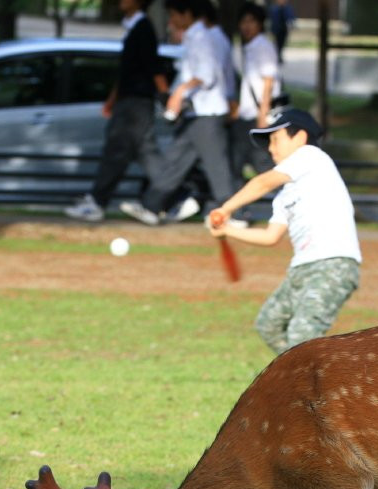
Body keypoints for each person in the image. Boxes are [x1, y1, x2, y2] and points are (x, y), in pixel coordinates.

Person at [208, 109, 362, 354]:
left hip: (333, 266)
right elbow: (270, 236)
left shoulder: (311, 156)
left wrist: (225, 209)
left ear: (299, 137)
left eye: (275, 139)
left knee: (302, 335)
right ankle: (305, 372)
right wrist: (227, 230)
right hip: (301, 269)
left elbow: (261, 183)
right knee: (268, 324)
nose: (270, 149)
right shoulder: (285, 194)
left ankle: (312, 373)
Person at [119, 0, 238, 227]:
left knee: (217, 167)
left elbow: (207, 75)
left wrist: (180, 93)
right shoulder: (194, 38)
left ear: (187, 14)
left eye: (174, 14)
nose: (171, 20)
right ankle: (151, 206)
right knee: (174, 162)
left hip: (207, 113)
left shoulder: (202, 38)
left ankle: (234, 213)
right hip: (196, 114)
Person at [64, 0, 169, 222]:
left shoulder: (143, 28)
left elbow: (154, 67)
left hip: (135, 103)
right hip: (129, 100)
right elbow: (126, 73)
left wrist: (167, 98)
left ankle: (97, 201)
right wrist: (111, 101)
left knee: (117, 150)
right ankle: (175, 196)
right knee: (146, 153)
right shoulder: (135, 27)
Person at [231, 3, 281, 184]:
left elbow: (269, 81)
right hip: (248, 113)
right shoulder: (249, 47)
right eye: (243, 22)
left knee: (261, 161)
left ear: (260, 24)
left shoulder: (263, 46)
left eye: (251, 21)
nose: (247, 26)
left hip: (258, 114)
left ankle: (282, 193)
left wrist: (263, 113)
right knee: (239, 159)